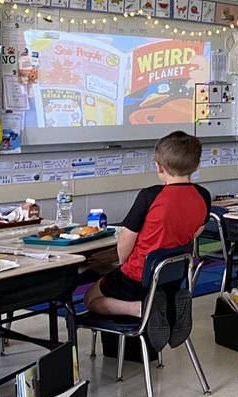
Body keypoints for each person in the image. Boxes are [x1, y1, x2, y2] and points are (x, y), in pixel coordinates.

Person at [83, 132, 210, 352]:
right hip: (171, 277)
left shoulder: (149, 196)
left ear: (159, 167)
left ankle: (140, 310)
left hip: (137, 277)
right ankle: (166, 309)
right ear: (197, 165)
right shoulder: (203, 196)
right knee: (120, 282)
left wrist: (121, 265)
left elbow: (125, 242)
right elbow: (196, 231)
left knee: (90, 298)